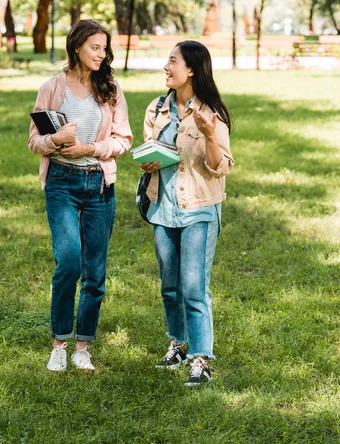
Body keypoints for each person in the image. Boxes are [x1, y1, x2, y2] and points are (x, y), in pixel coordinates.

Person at [28, 19, 133, 373]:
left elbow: (123, 140)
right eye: (95, 48)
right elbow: (34, 141)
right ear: (77, 47)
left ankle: (83, 346)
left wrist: (90, 147)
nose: (102, 55)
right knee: (69, 262)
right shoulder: (53, 89)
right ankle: (59, 342)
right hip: (61, 182)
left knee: (95, 272)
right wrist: (56, 142)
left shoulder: (111, 90)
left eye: (105, 49)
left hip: (99, 184)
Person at [140, 40, 233, 386]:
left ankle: (201, 359)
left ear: (191, 69)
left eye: (172, 61)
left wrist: (209, 136)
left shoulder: (212, 113)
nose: (166, 67)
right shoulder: (156, 109)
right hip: (163, 208)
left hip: (199, 209)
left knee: (194, 286)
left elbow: (219, 166)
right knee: (170, 286)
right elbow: (152, 154)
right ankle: (177, 344)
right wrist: (148, 162)